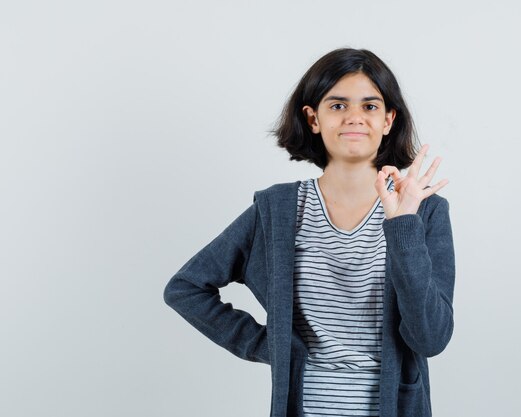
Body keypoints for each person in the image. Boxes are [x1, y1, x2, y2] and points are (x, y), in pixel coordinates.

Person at [163, 48, 455, 417]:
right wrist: (273, 345)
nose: (354, 118)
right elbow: (185, 288)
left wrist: (402, 227)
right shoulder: (278, 209)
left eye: (369, 106)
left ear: (388, 120)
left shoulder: (424, 211)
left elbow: (430, 338)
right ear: (312, 118)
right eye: (337, 105)